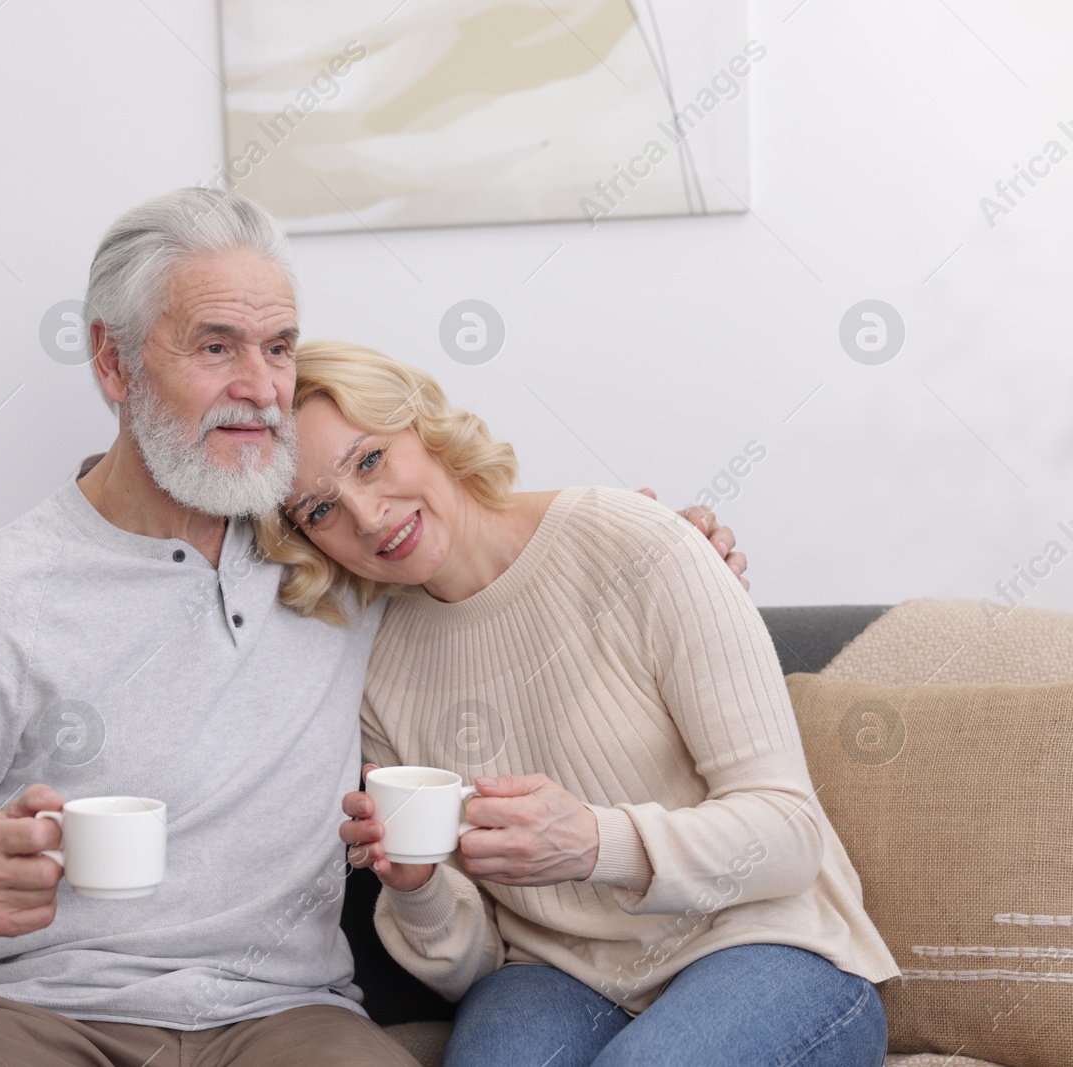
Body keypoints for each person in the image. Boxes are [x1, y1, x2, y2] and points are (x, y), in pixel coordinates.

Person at [0, 188, 744, 1067]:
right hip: (30, 1014)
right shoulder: (8, 595)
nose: (260, 385)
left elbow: (475, 533)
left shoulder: (329, 547)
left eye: (278, 347)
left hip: (286, 1019)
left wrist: (661, 540)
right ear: (113, 362)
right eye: (215, 346)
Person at [252, 342, 899, 1067]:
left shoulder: (641, 542)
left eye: (368, 460)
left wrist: (595, 841)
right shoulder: (377, 668)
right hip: (554, 972)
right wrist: (419, 887)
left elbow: (788, 830)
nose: (368, 517)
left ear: (423, 427)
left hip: (765, 943)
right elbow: (473, 964)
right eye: (320, 509)